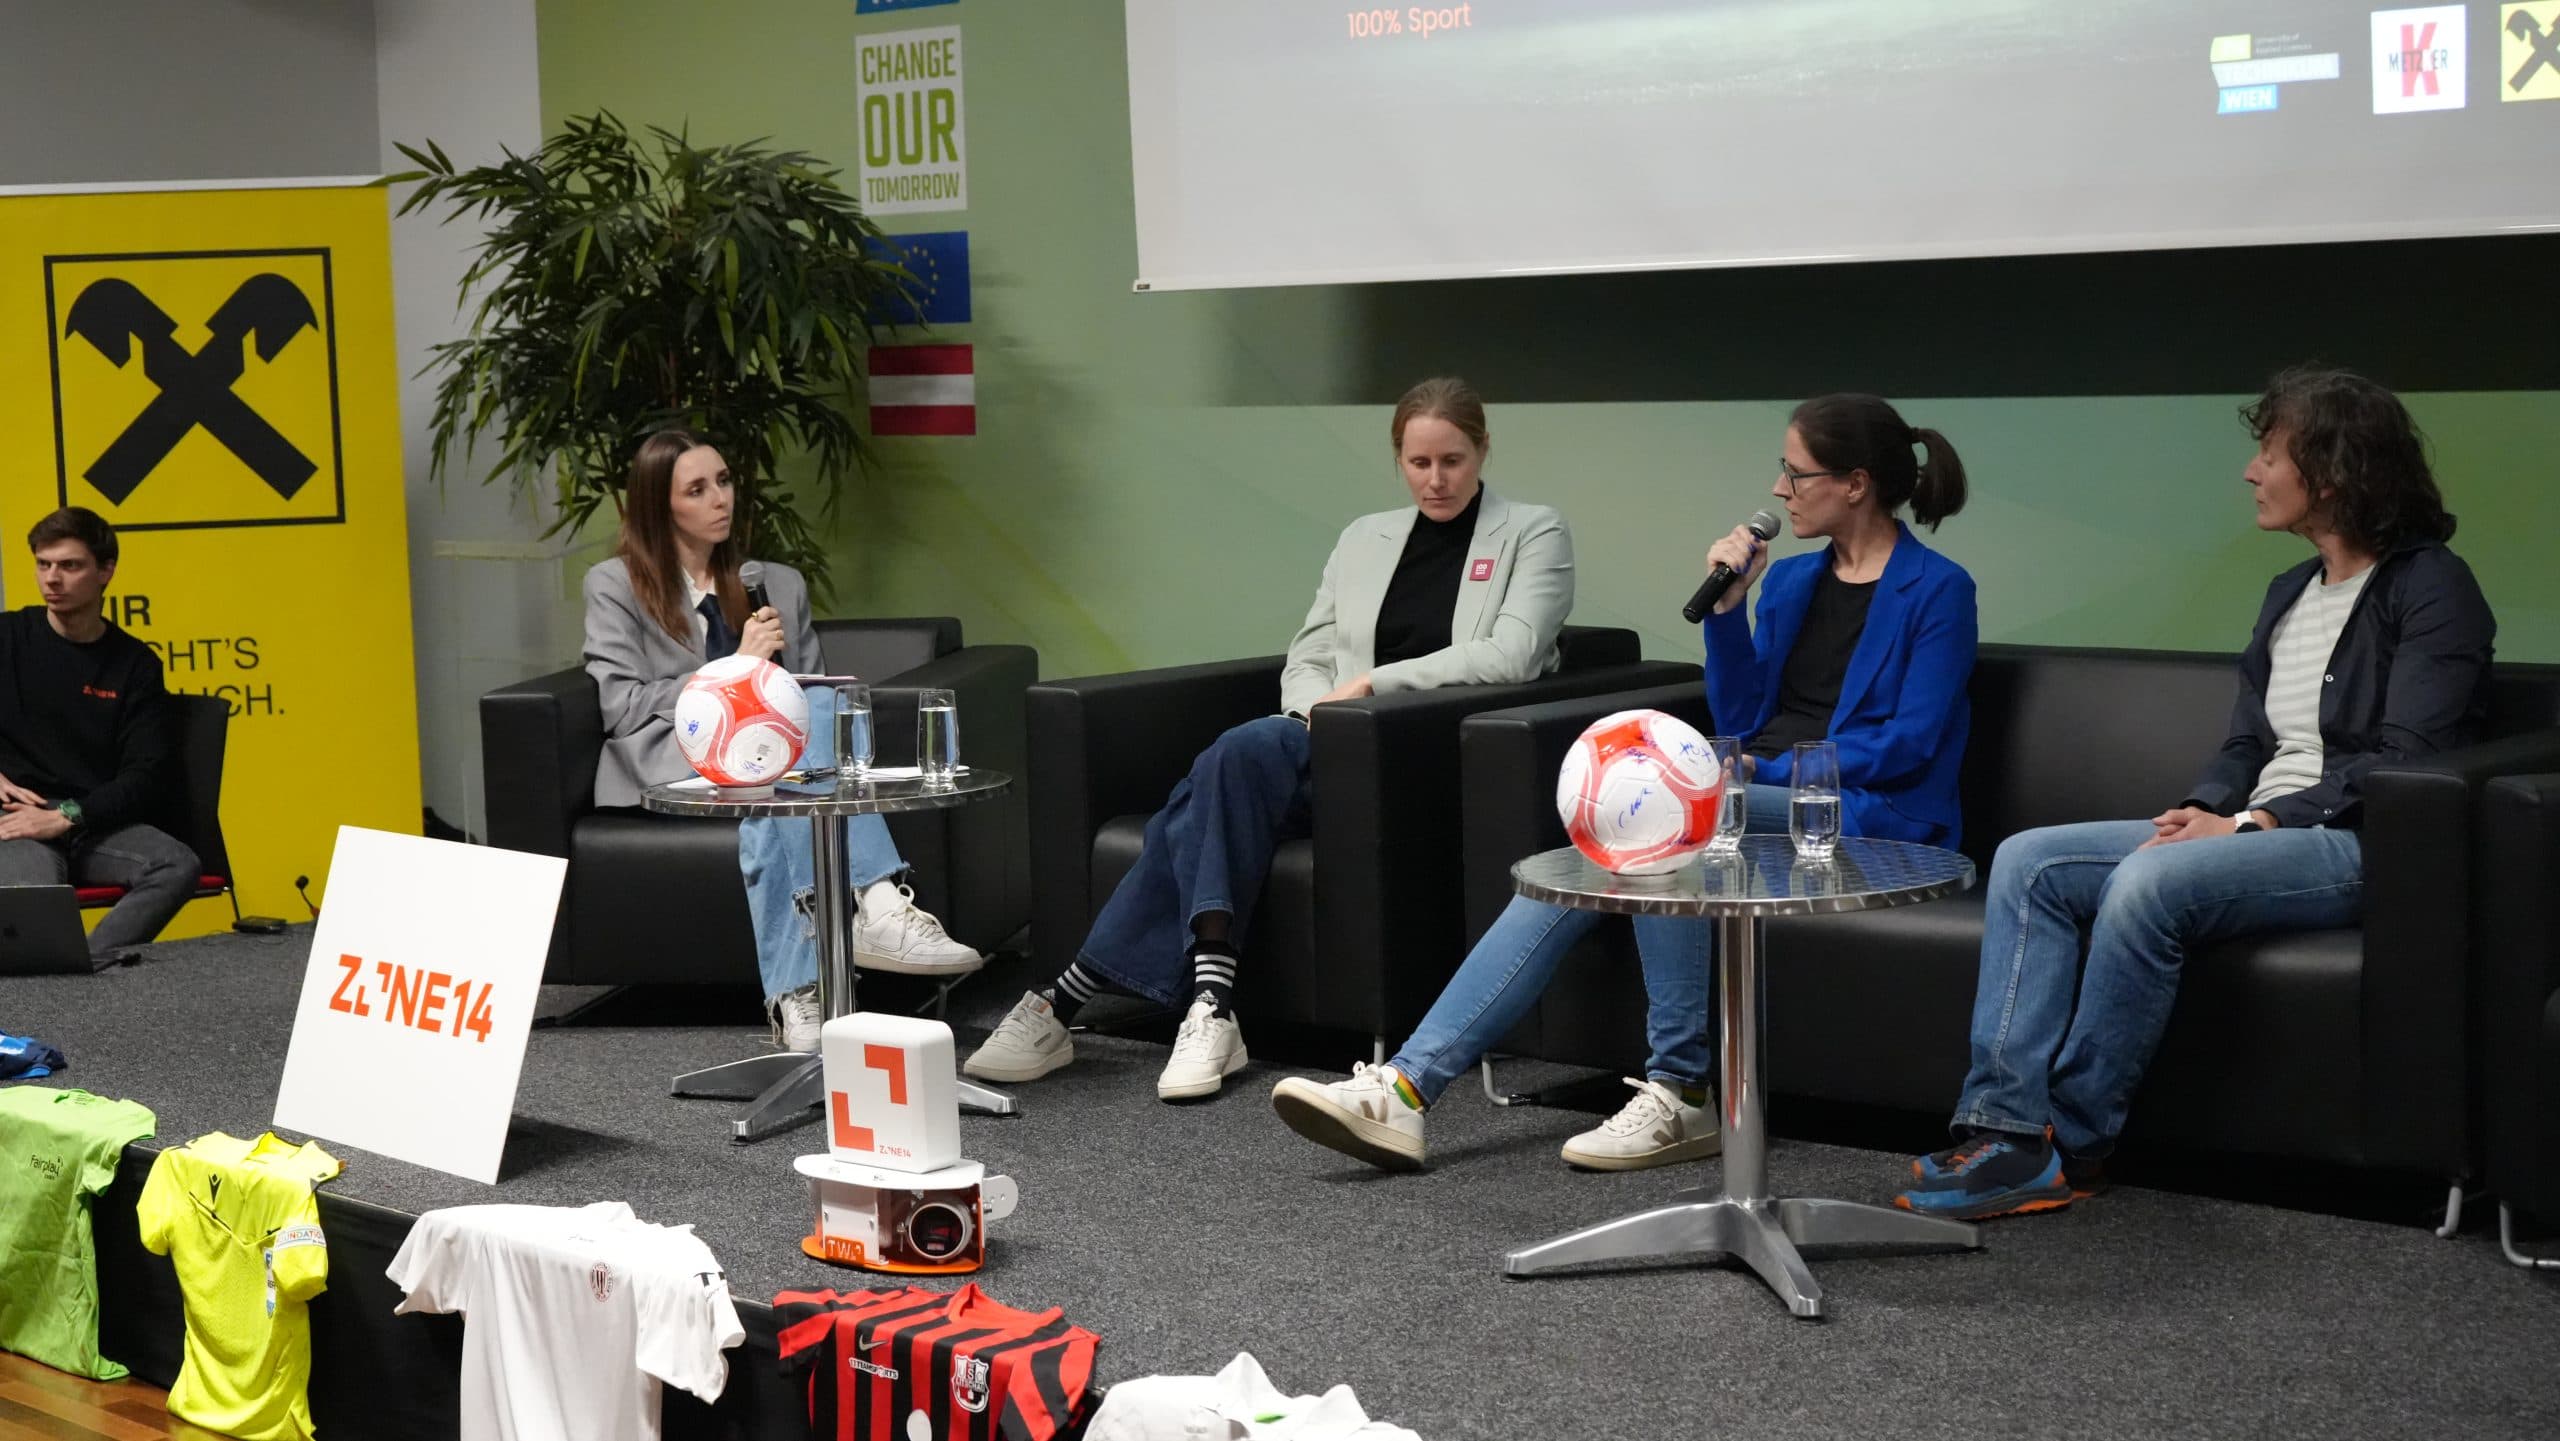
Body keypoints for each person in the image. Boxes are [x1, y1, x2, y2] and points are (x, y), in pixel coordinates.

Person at [1273, 393, 1977, 1171]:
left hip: (1867, 814)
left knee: (1663, 823)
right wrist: (1728, 611)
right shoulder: (1787, 583)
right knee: (1612, 835)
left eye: (1796, 472)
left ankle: (1677, 1087)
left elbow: (1909, 742)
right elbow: (1740, 713)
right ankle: (1406, 1090)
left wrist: (1759, 771)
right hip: (1749, 799)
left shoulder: (1938, 589)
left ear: (1855, 483)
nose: (1779, 489)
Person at [1897, 367, 2496, 1221]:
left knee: (2150, 881)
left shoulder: (2432, 586)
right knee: (2030, 861)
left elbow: (2409, 759)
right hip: (2258, 827)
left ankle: (2075, 1142)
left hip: (2357, 843)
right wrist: (2206, 805)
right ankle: (2007, 1130)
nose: (2251, 472)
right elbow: (2248, 741)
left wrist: (2254, 820)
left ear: (2333, 471)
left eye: (2269, 454)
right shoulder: (2290, 592)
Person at [962, 377, 1576, 1101]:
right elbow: (1309, 655)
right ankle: (1210, 1004)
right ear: (1398, 459)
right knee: (1231, 770)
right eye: (1419, 463)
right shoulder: (1365, 538)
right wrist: (1318, 716)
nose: (1435, 480)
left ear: (1482, 451)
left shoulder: (1533, 532)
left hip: (1427, 752)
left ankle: (1065, 997)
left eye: (1452, 460)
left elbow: (1513, 654)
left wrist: (1370, 687)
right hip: (1331, 743)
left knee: (1217, 776)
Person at [582, 429, 979, 1052]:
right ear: (660, 506)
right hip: (678, 754)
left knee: (792, 751)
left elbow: (811, 699)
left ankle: (801, 992)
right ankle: (880, 903)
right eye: (696, 489)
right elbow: (621, 706)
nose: (721, 499)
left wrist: (777, 689)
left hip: (771, 760)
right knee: (780, 756)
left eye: (724, 481)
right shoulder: (615, 585)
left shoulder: (778, 584)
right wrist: (734, 671)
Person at [0, 507, 198, 961]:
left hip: (91, 820)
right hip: (17, 818)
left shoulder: (135, 665)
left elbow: (146, 775)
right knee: (32, 903)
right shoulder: (7, 637)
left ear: (106, 571)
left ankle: (83, 967)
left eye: (69, 565)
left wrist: (69, 815)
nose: (52, 579)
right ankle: (60, 969)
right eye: (43, 564)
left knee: (177, 864)